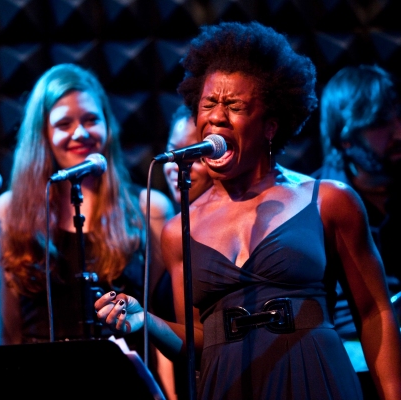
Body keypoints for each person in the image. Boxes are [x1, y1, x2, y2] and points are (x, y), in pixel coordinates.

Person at [95, 21, 401, 400]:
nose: (217, 117)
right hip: (228, 387)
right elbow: (197, 346)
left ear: (270, 125)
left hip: (317, 380)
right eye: (208, 104)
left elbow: (374, 313)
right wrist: (146, 322)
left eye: (234, 106)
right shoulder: (178, 232)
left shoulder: (328, 200)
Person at [0, 63, 173, 357]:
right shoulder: (9, 211)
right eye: (64, 124)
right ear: (42, 135)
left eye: (91, 120)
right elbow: (9, 331)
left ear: (107, 127)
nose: (80, 133)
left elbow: (161, 322)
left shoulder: (149, 207)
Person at [312, 64, 401, 397]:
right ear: (346, 138)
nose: (398, 133)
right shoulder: (314, 205)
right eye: (380, 124)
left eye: (399, 118)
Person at [155, 104, 214, 399]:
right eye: (173, 152)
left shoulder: (217, 235)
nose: (177, 165)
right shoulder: (170, 230)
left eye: (193, 155)